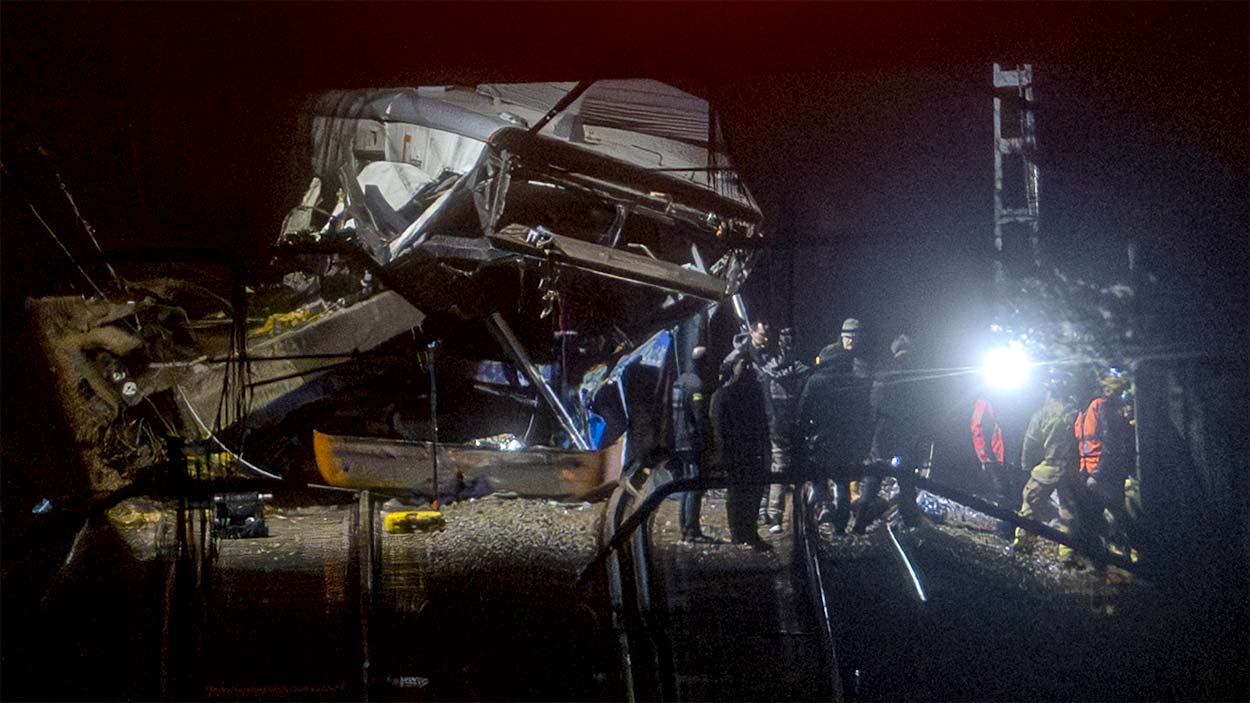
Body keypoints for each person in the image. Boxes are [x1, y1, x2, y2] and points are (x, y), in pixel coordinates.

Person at [1012, 370, 1097, 565]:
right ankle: (1066, 556)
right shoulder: (1075, 414)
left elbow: (1030, 443)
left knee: (1029, 501)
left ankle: (1023, 547)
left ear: (1049, 390)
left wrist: (1027, 466)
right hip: (1072, 471)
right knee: (1068, 512)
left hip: (1048, 467)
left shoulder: (1042, 413)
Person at [797, 318, 873, 533]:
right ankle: (840, 526)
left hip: (819, 440)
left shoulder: (815, 381)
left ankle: (815, 520)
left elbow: (803, 410)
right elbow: (864, 412)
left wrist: (801, 434)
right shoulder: (855, 380)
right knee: (841, 484)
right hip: (845, 440)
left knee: (819, 483)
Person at [852, 334, 928, 532]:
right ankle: (911, 523)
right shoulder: (918, 374)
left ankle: (859, 524)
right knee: (906, 482)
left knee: (873, 479)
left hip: (883, 435)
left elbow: (872, 408)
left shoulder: (883, 373)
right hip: (905, 437)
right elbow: (922, 411)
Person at [709, 356, 772, 550]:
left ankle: (750, 531)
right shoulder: (724, 394)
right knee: (737, 494)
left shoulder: (755, 393)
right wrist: (722, 453)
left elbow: (762, 421)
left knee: (753, 492)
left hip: (753, 451)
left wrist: (765, 447)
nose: (746, 367)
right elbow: (718, 426)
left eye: (748, 364)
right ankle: (738, 533)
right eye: (742, 364)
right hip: (735, 452)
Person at [1076, 369, 1136, 549]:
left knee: (1117, 515)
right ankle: (1106, 559)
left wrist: (1097, 474)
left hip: (1105, 475)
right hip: (1091, 473)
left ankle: (1130, 560)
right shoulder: (1082, 412)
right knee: (1096, 519)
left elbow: (1111, 442)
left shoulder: (1101, 406)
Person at [759, 327, 810, 533]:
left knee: (778, 468)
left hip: (780, 426)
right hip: (785, 426)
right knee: (782, 469)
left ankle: (774, 513)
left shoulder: (768, 371)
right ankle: (777, 514)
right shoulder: (799, 372)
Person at [673, 344, 711, 543]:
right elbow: (699, 417)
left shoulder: (679, 381)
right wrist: (708, 440)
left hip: (678, 440)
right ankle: (691, 530)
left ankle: (685, 527)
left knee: (687, 484)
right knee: (695, 485)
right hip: (692, 441)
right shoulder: (696, 385)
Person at [971, 395, 1017, 539]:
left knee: (1012, 492)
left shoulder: (1010, 399)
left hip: (1008, 454)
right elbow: (977, 429)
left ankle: (1012, 527)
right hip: (995, 456)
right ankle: (1007, 529)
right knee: (1002, 493)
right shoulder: (984, 402)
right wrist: (985, 457)